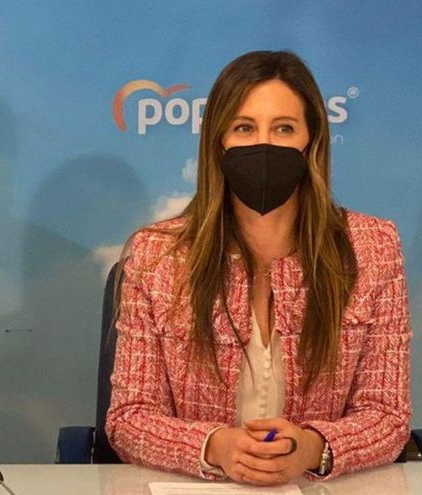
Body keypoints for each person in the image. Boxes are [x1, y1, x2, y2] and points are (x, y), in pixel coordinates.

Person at [105, 51, 410, 485]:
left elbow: (387, 416)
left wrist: (312, 446)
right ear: (219, 141)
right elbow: (129, 419)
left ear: (312, 140)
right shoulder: (158, 256)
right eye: (244, 128)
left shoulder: (372, 248)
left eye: (283, 128)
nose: (263, 145)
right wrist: (214, 447)